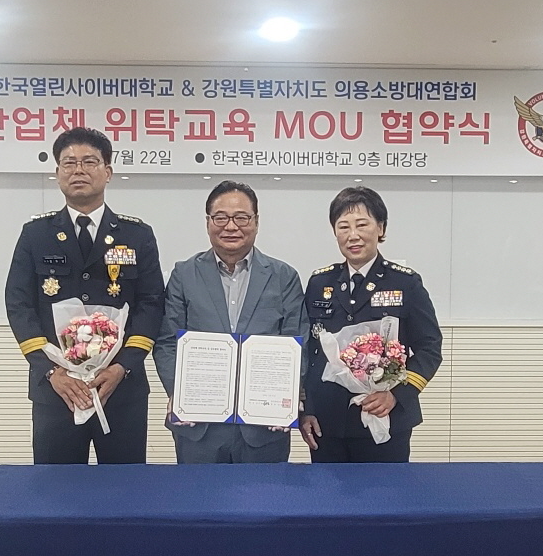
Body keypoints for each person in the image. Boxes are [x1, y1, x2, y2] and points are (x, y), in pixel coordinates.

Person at [5, 127, 164, 464]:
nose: (78, 170)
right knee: (56, 487)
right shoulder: (36, 234)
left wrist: (122, 367)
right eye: (69, 163)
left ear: (108, 171)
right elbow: (18, 304)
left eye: (89, 162)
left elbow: (151, 304)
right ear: (57, 173)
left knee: (124, 486)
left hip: (120, 390)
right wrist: (51, 372)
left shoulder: (137, 235)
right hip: (57, 391)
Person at [153, 180, 307, 463]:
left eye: (241, 218)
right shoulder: (184, 275)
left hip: (264, 427)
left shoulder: (284, 277)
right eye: (220, 217)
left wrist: (287, 396)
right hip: (199, 427)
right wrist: (180, 392)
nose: (231, 226)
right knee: (198, 493)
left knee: (265, 493)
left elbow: (297, 342)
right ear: (208, 222)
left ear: (256, 222)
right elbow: (166, 342)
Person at [299, 186, 442, 462]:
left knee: (386, 490)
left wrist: (396, 394)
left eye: (362, 224)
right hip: (327, 423)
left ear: (381, 228)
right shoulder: (319, 283)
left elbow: (430, 348)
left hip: (386, 418)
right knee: (326, 490)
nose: (352, 235)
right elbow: (311, 353)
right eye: (343, 226)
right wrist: (307, 409)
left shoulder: (405, 283)